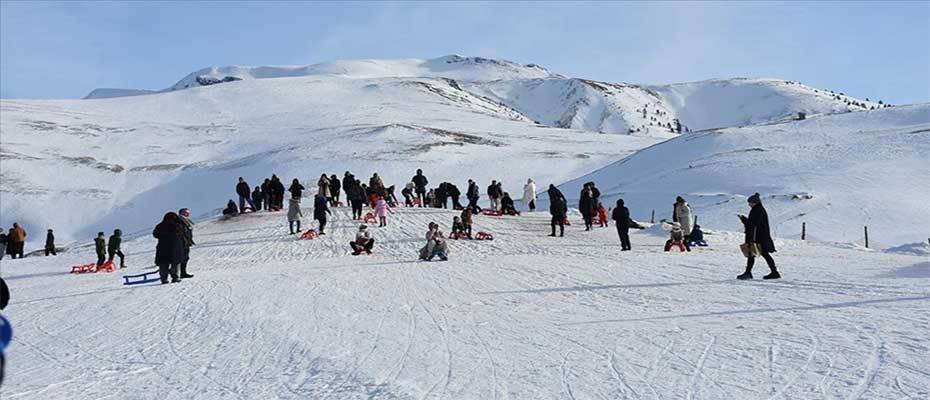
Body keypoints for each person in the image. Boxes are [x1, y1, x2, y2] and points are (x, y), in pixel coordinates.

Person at [738, 193, 780, 280]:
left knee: (753, 254)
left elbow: (753, 224)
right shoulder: (758, 209)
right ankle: (773, 272)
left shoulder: (757, 210)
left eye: (750, 202)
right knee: (760, 254)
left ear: (755, 202)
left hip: (757, 236)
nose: (749, 204)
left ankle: (749, 273)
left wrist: (743, 219)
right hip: (760, 236)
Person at [153, 212, 184, 284]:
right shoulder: (178, 225)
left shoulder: (160, 226)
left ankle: (164, 279)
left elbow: (155, 234)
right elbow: (182, 234)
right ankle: (175, 277)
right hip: (176, 247)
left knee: (163, 264)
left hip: (163, 248)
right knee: (175, 263)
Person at [178, 208, 195, 279]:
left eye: (188, 212)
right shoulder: (180, 220)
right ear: (181, 213)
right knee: (182, 258)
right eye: (186, 212)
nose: (188, 214)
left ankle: (182, 273)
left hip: (186, 242)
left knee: (185, 258)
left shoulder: (186, 220)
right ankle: (180, 273)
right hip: (182, 242)